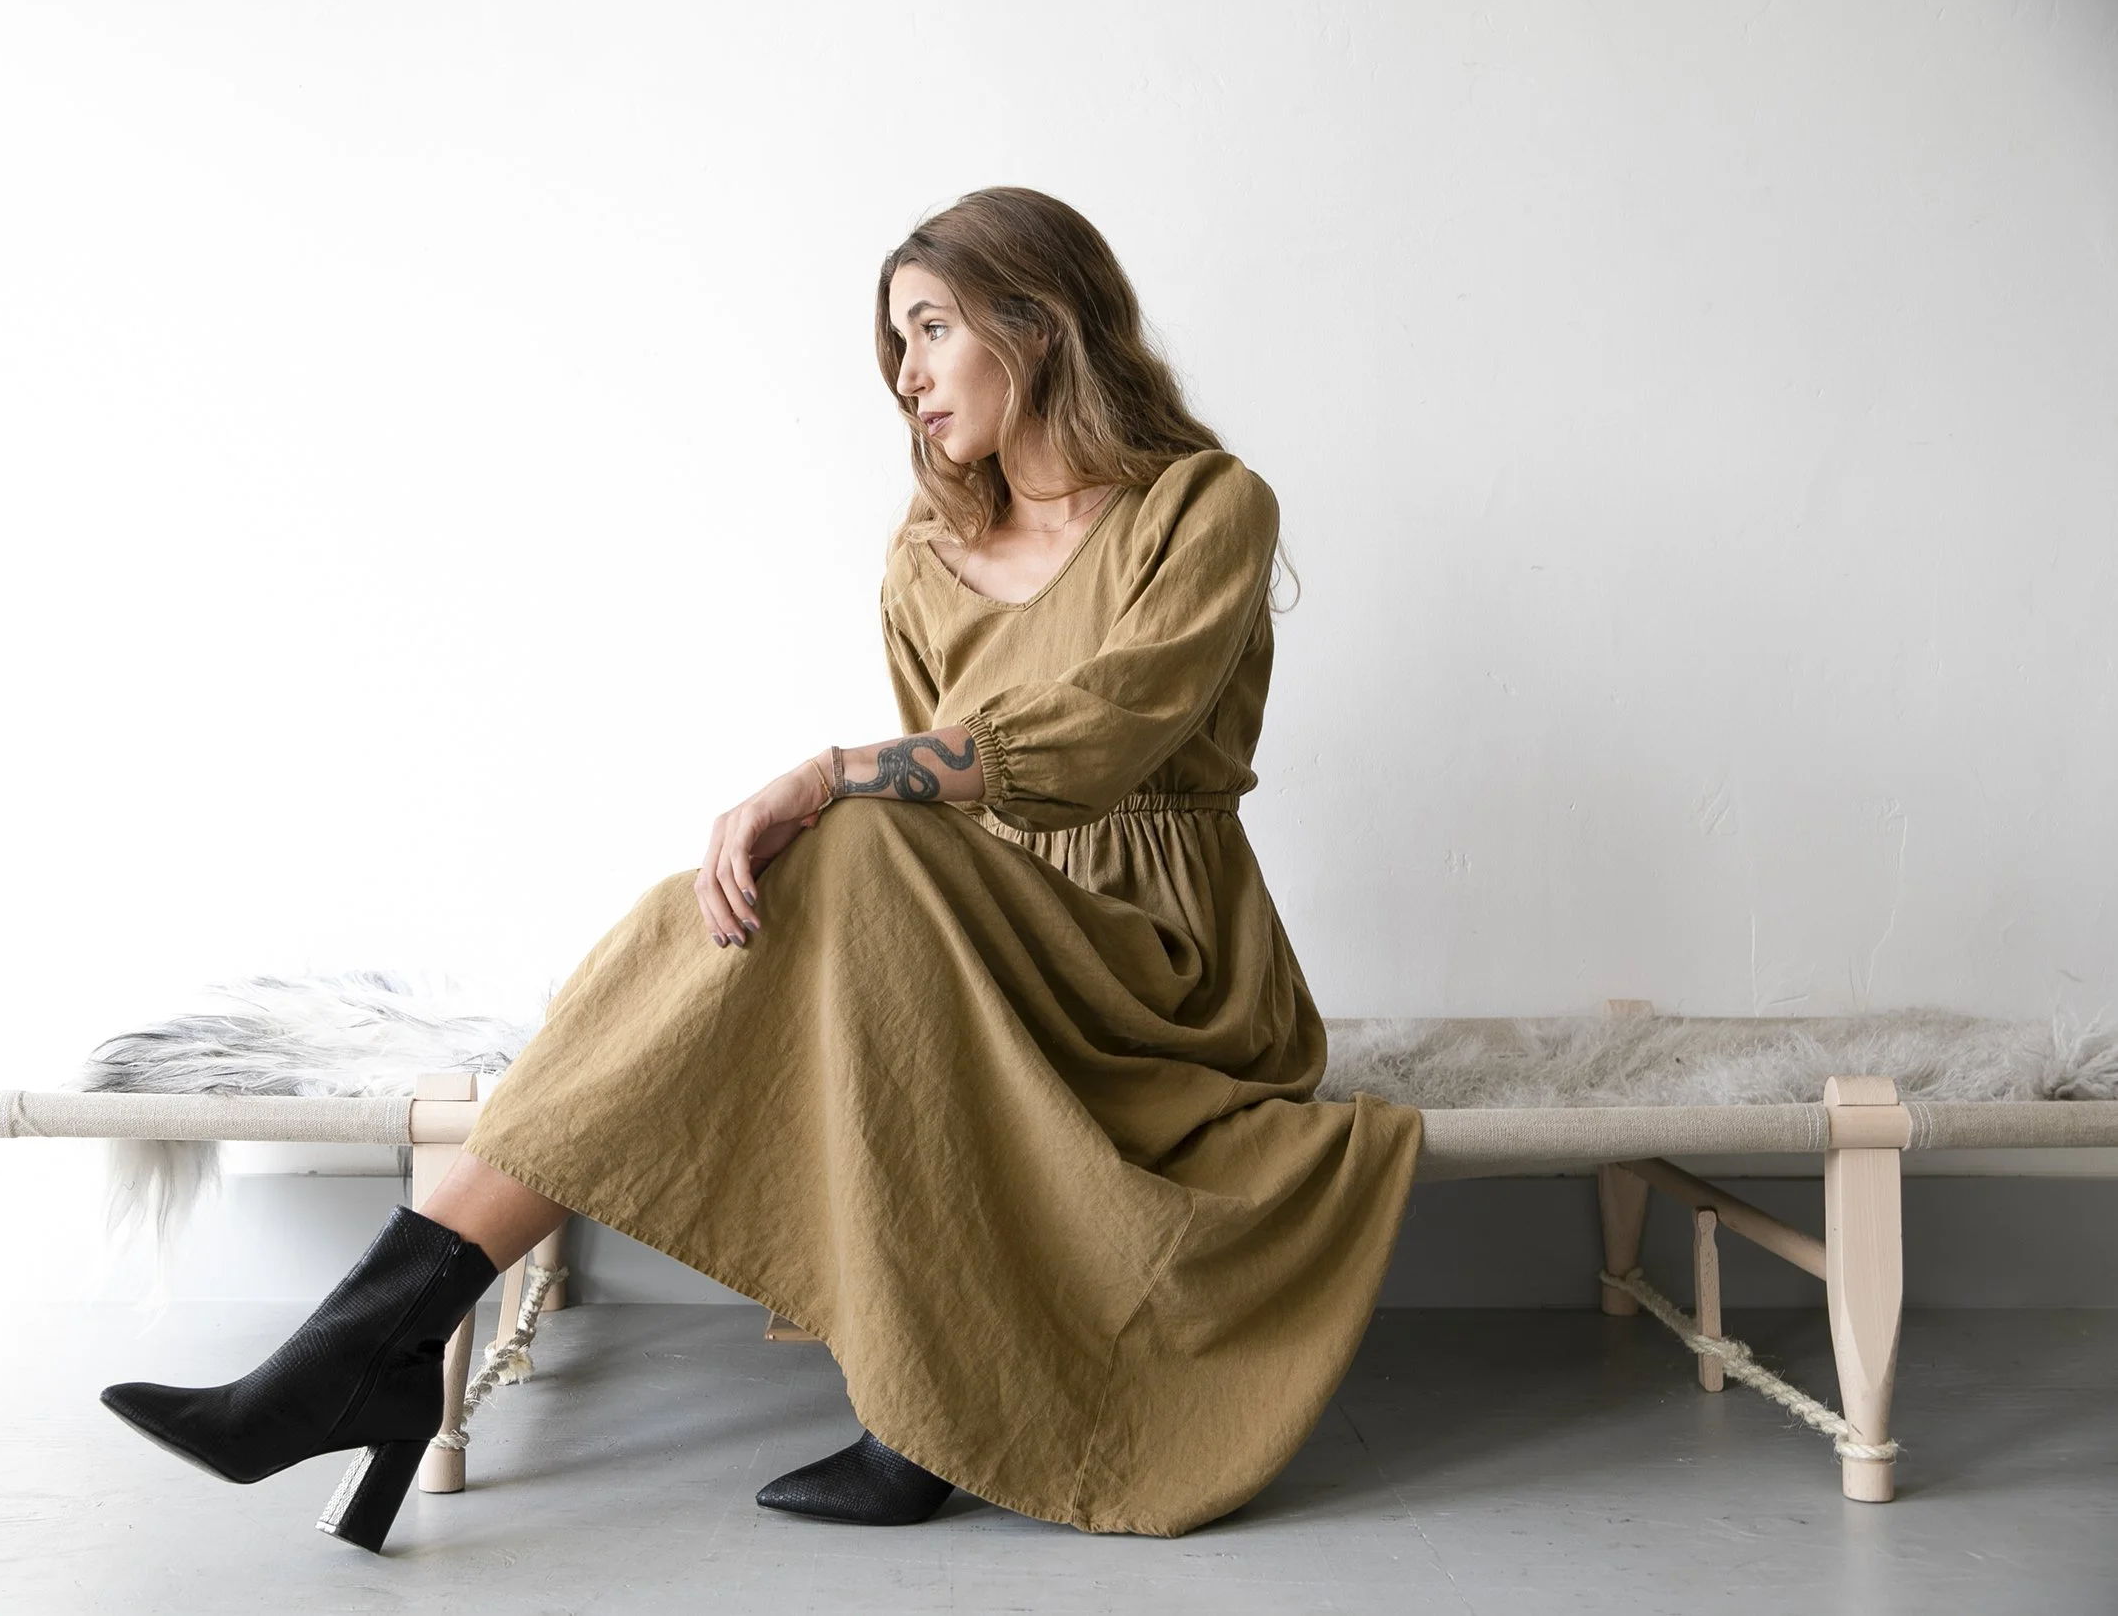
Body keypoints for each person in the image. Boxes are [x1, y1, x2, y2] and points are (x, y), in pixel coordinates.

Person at [101, 185, 1425, 1554]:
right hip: (986, 946)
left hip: (1167, 971)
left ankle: (364, 1352)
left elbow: (1099, 737)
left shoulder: (1205, 506)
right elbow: (949, 828)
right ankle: (374, 1341)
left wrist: (829, 772)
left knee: (844, 838)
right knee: (738, 906)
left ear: (1038, 323)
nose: (905, 375)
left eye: (931, 328)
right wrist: (839, 811)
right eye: (895, 343)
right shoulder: (925, 558)